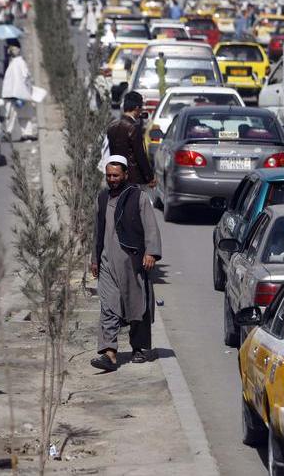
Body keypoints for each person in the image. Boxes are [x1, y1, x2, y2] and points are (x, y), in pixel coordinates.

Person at [90, 156, 162, 372]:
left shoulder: (138, 197)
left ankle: (138, 348)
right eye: (108, 176)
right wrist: (94, 258)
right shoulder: (102, 198)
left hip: (132, 261)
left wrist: (151, 252)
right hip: (107, 262)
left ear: (125, 175)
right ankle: (109, 353)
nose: (112, 179)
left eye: (116, 175)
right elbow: (97, 231)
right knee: (109, 306)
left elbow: (151, 227)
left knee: (136, 306)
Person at [106, 91, 155, 187]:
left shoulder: (112, 126)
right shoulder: (133, 128)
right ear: (137, 108)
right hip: (133, 178)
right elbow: (140, 155)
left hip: (115, 176)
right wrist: (149, 177)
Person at [1, 45, 36, 141]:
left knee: (13, 114)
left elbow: (25, 76)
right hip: (19, 93)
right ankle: (26, 133)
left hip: (17, 93)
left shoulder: (19, 62)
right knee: (23, 114)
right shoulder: (14, 62)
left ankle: (10, 132)